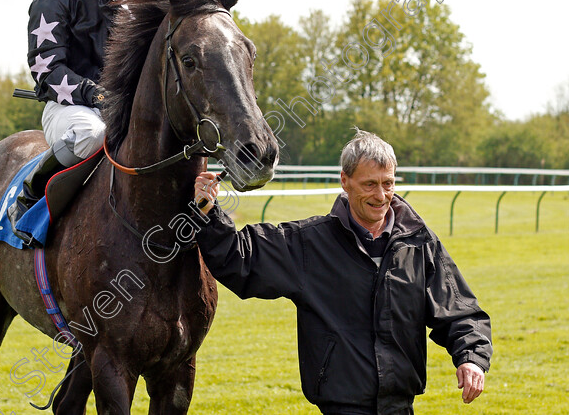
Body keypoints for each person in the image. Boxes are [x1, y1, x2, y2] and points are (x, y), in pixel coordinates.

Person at [193, 129, 492, 415]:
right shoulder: (309, 243)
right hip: (341, 405)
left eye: (388, 183)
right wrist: (209, 212)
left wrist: (472, 358)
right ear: (345, 181)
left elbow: (460, 310)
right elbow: (239, 258)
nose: (381, 196)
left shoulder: (418, 242)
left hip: (400, 405)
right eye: (369, 184)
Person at [20, 0, 164, 206]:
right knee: (92, 133)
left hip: (125, 107)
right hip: (70, 108)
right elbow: (47, 72)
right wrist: (98, 96)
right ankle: (33, 190)